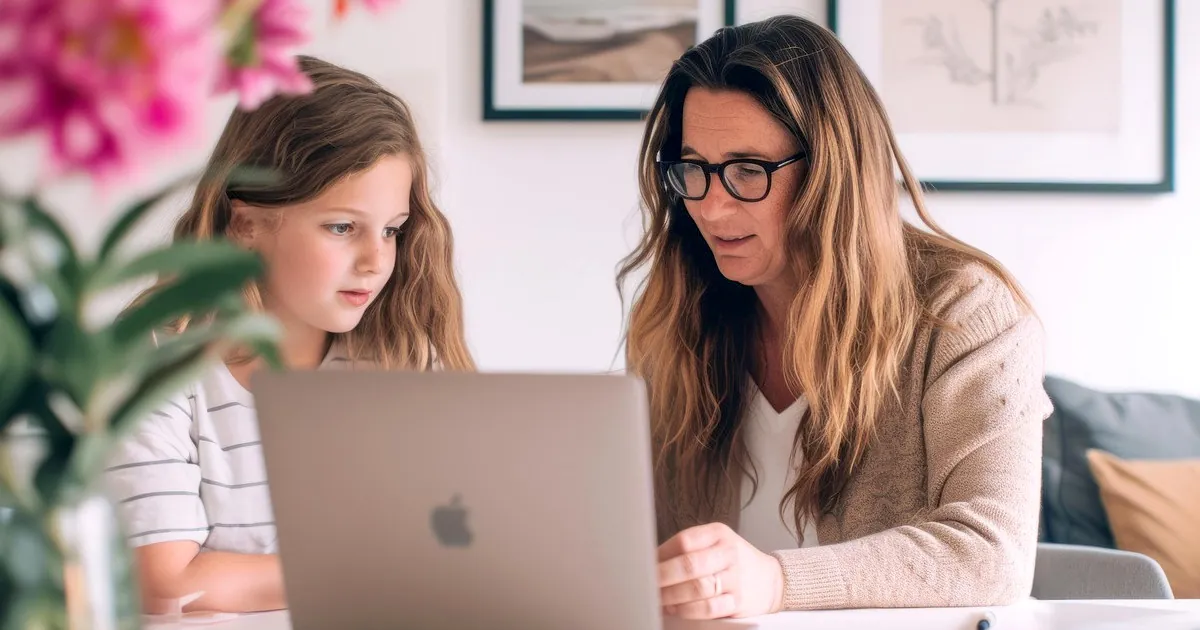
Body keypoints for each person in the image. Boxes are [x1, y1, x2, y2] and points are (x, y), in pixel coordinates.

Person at [618, 15, 1054, 619]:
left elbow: (991, 554)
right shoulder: (675, 319)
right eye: (695, 169)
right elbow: (642, 549)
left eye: (748, 170)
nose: (712, 206)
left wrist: (773, 581)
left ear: (831, 174)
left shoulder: (966, 313)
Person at [105, 56, 474, 614]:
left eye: (393, 231)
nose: (377, 260)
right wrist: (379, 573)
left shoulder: (400, 358)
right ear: (247, 223)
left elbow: (454, 552)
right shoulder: (156, 363)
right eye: (343, 227)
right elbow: (169, 587)